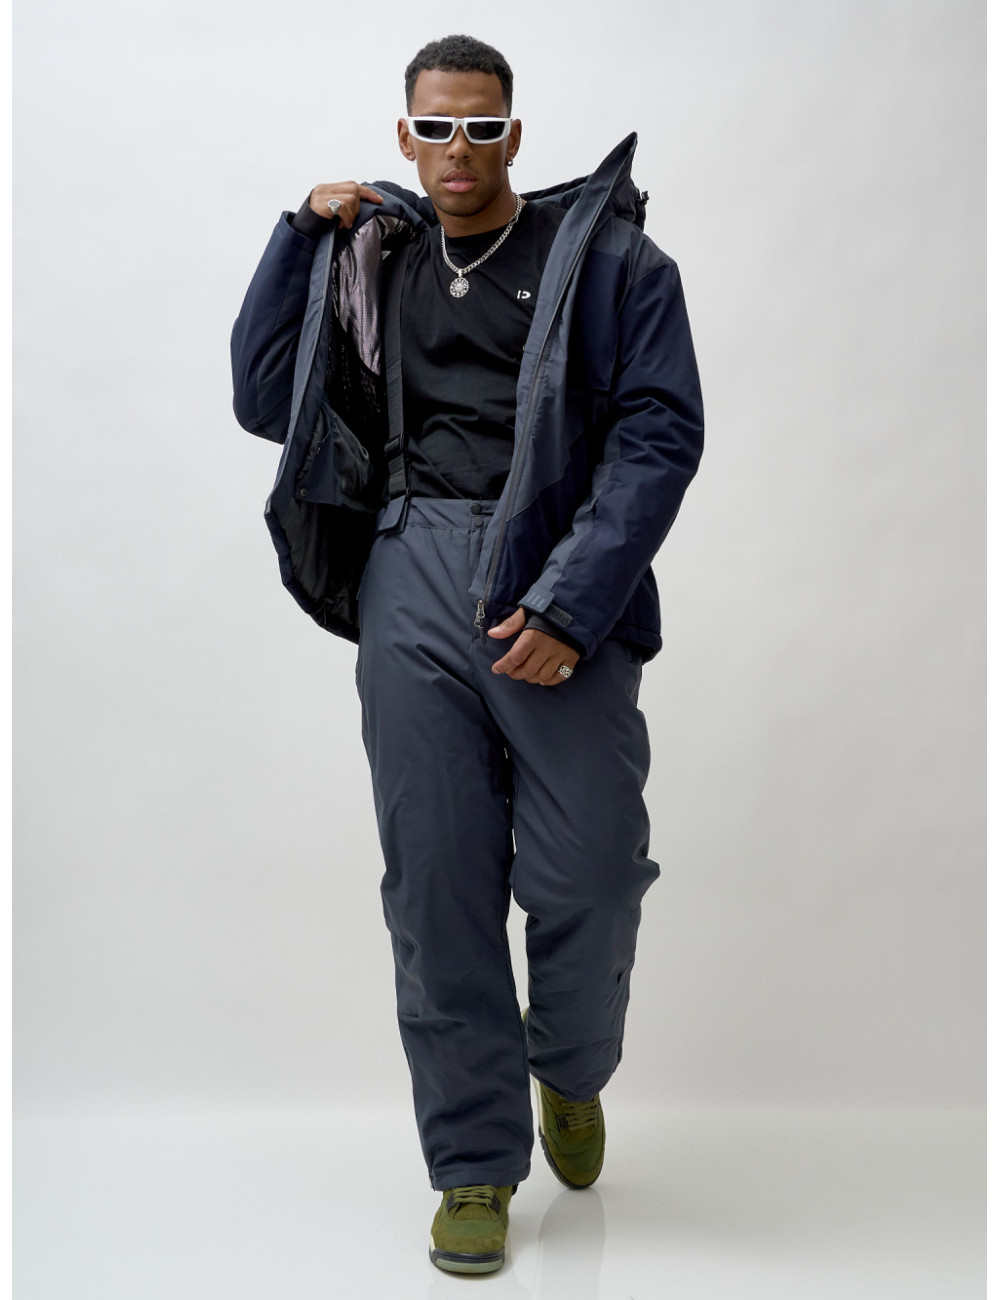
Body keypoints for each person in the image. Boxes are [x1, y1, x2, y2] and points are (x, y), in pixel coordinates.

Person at [231, 33, 703, 1276]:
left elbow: (659, 436)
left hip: (557, 575)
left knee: (593, 869)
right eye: (435, 126)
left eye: (481, 127)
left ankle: (571, 1067)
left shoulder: (610, 263)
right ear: (405, 134)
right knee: (436, 884)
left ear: (512, 134)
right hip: (409, 568)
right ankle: (473, 1165)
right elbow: (262, 395)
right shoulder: (369, 259)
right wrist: (298, 236)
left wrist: (571, 605)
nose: (457, 149)